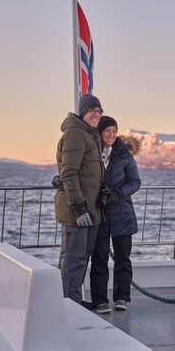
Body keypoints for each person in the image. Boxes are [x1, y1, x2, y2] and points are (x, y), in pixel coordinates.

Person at [54, 94, 105, 305]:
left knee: (82, 258)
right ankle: (68, 304)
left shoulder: (89, 135)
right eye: (92, 110)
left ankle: (73, 300)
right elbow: (69, 173)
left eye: (99, 111)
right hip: (77, 210)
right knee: (73, 260)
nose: (96, 114)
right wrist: (79, 208)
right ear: (83, 112)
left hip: (90, 209)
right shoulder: (75, 134)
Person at [89, 116, 142, 314]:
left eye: (114, 131)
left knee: (123, 259)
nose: (111, 135)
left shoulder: (124, 156)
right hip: (99, 213)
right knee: (100, 259)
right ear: (100, 132)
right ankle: (100, 301)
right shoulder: (91, 153)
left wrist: (117, 194)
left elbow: (135, 182)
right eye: (107, 131)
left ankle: (122, 297)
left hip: (122, 213)